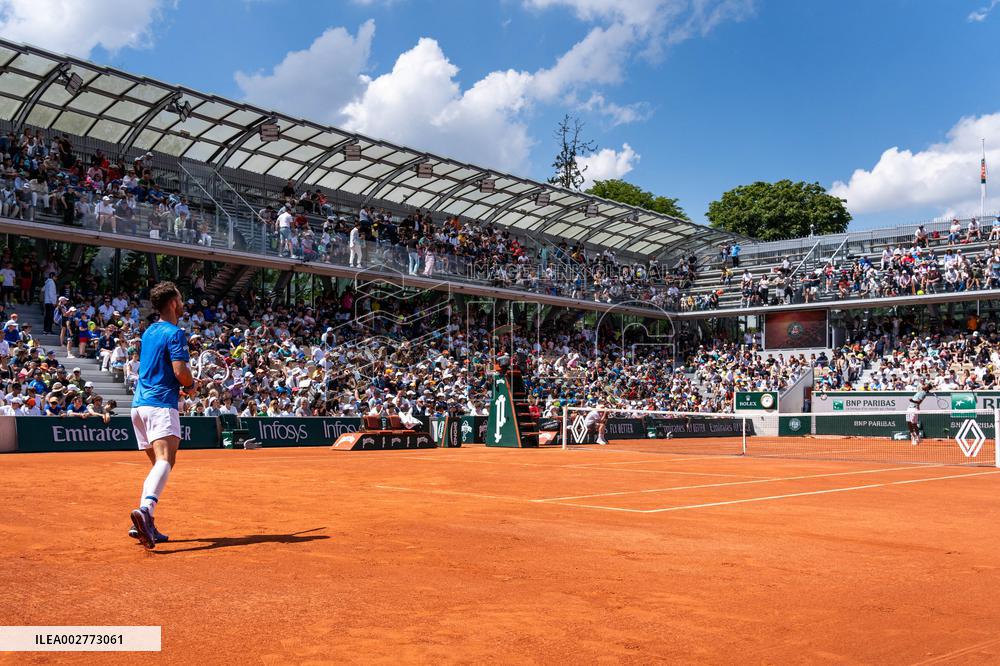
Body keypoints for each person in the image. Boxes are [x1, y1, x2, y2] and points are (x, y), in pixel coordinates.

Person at [128, 281, 199, 549]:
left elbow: (160, 370)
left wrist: (180, 385)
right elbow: (180, 371)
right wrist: (190, 386)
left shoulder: (148, 333)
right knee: (166, 461)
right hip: (159, 405)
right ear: (172, 303)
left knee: (160, 464)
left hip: (139, 407)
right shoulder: (175, 333)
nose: (182, 304)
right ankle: (145, 510)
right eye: (180, 299)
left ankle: (147, 522)